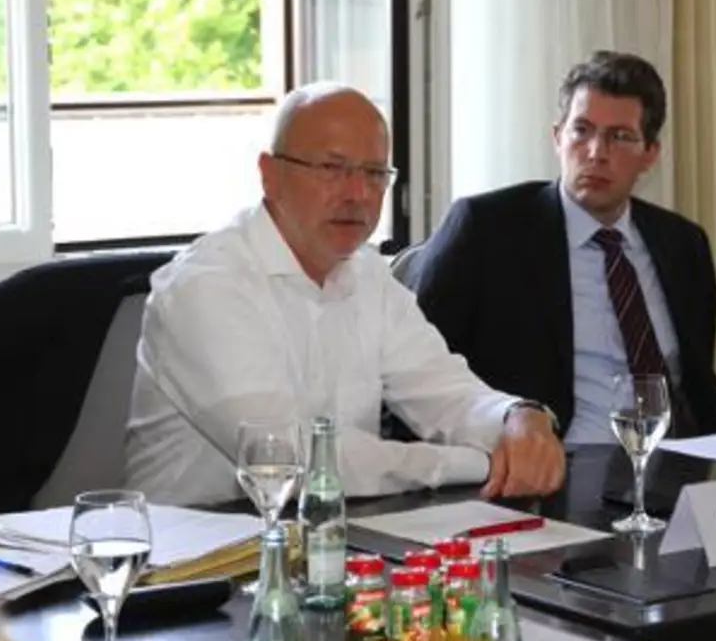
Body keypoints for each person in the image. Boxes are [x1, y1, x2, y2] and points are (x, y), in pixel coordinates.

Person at [125, 83, 565, 506]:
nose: (358, 194)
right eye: (332, 169)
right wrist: (482, 462)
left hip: (332, 541)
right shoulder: (206, 286)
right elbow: (287, 459)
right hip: (191, 564)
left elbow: (445, 392)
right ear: (270, 175)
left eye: (374, 173)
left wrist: (517, 418)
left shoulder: (368, 274)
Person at [408, 50, 716, 446]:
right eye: (581, 130)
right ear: (557, 137)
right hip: (558, 466)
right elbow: (416, 375)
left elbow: (699, 396)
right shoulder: (488, 229)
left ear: (650, 154)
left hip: (674, 464)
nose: (596, 152)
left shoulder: (681, 244)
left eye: (620, 137)